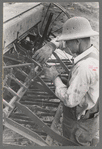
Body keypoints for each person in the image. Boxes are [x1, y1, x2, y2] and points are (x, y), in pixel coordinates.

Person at [33, 17, 99, 146]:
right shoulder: (93, 52)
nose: (65, 46)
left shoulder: (84, 68)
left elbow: (70, 100)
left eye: (68, 42)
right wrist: (51, 46)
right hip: (90, 118)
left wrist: (55, 78)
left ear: (78, 41)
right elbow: (63, 42)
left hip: (78, 125)